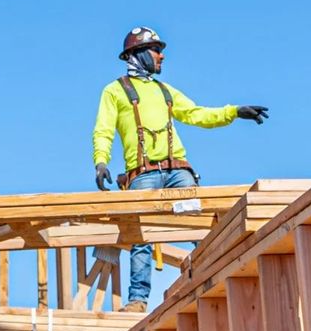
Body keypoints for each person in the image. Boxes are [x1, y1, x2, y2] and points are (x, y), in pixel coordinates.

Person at [91, 26, 268, 312]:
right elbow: (103, 130)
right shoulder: (115, 91)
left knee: (201, 224)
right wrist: (101, 160)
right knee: (141, 235)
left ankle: (215, 275)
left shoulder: (164, 92)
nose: (161, 56)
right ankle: (137, 300)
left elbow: (196, 114)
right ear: (137, 53)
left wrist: (233, 112)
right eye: (156, 50)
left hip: (177, 173)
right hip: (143, 175)